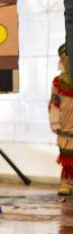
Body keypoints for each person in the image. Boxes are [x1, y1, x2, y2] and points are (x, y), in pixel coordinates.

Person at [49, 44, 73, 196]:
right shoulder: (58, 82)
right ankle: (67, 182)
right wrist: (55, 122)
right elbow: (54, 103)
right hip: (66, 122)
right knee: (68, 154)